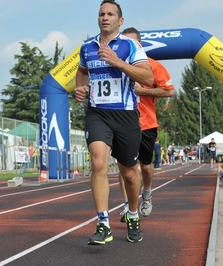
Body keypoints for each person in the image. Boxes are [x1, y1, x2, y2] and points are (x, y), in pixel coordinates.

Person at [74, 0, 154, 245]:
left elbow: (148, 77)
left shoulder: (131, 46)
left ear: (120, 21)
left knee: (129, 173)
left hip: (125, 115)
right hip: (97, 113)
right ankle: (103, 222)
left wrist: (118, 62)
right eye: (101, 14)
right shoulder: (87, 47)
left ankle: (132, 214)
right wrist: (80, 88)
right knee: (98, 162)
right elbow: (81, 71)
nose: (105, 17)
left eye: (110, 14)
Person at [117, 27, 174, 221]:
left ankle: (147, 194)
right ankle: (127, 204)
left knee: (146, 165)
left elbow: (169, 91)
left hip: (146, 124)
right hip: (123, 122)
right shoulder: (116, 65)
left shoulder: (152, 66)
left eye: (133, 42)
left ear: (139, 45)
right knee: (124, 166)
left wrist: (144, 92)